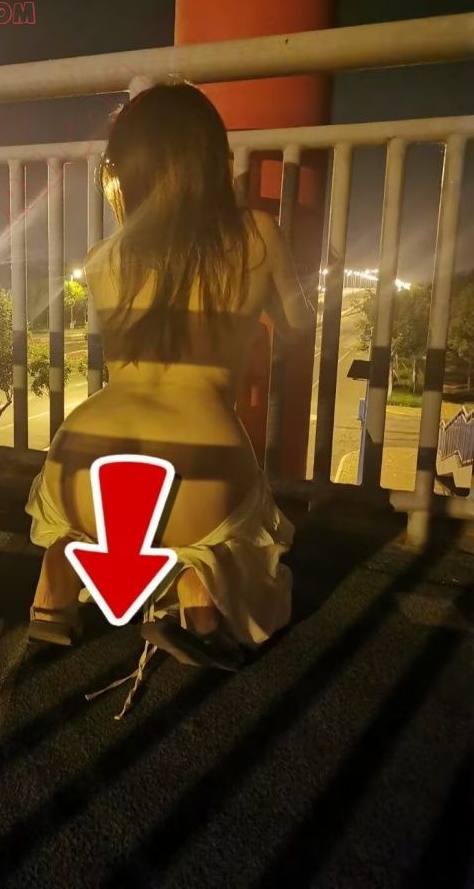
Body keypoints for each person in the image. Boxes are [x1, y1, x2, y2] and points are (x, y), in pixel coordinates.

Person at [25, 83, 315, 673]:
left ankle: (55, 583)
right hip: (201, 463)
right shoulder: (257, 234)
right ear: (211, 157)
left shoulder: (104, 257)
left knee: (77, 521)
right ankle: (198, 589)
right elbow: (298, 327)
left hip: (81, 463)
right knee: (234, 537)